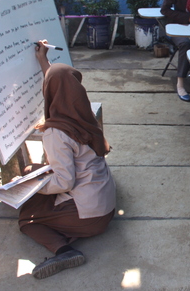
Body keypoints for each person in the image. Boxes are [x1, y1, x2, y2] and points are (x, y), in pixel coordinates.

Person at [18, 40, 116, 279]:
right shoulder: (84, 115)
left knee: (28, 217)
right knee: (34, 169)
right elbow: (58, 84)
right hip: (106, 200)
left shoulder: (55, 132)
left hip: (92, 217)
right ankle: (67, 226)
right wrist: (43, 61)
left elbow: (64, 183)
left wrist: (31, 187)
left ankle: (64, 250)